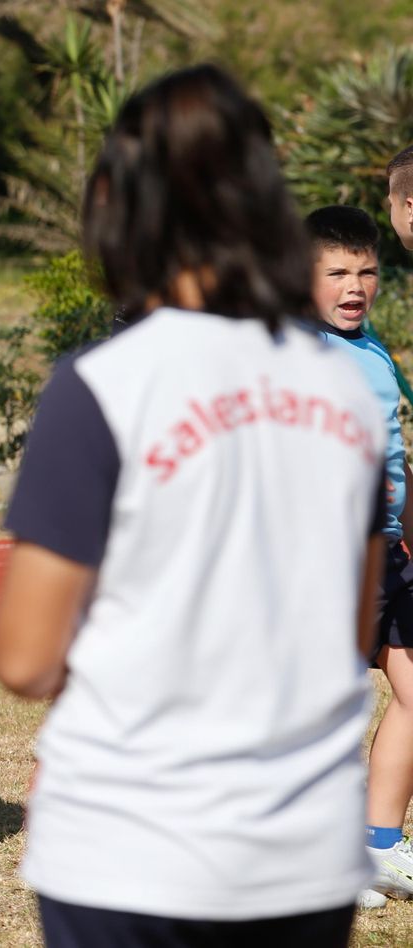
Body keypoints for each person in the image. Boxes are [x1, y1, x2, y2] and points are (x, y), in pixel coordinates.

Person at [0, 64, 383, 947]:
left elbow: (24, 658)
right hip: (304, 850)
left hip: (130, 848)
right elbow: (349, 631)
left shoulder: (102, 385)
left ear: (119, 206)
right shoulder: (349, 389)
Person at [304, 205, 413, 905]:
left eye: (367, 271)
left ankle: (381, 842)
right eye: (337, 272)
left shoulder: (374, 349)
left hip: (390, 550)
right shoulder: (295, 353)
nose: (355, 285)